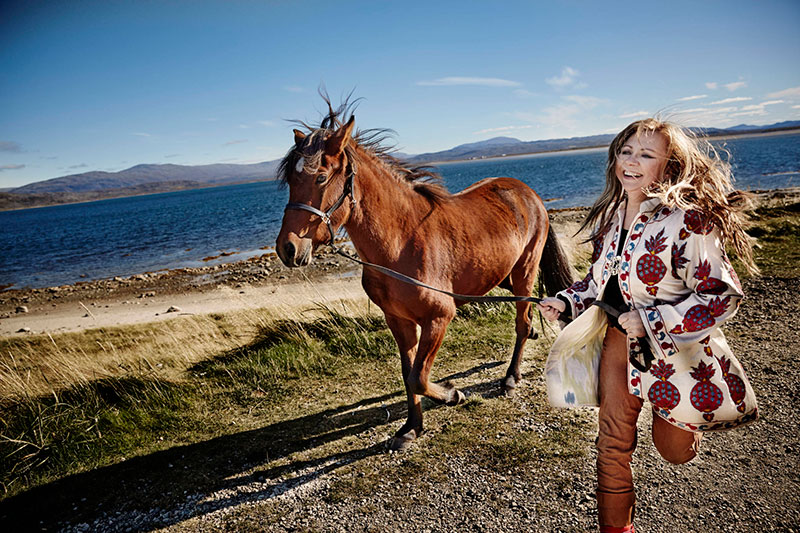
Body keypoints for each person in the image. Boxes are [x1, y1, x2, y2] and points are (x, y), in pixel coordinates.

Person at [537, 118, 758, 532]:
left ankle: (681, 425)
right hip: (618, 344)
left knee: (674, 451)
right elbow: (599, 281)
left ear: (668, 166)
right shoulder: (610, 219)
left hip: (677, 354)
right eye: (626, 151)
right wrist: (565, 300)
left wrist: (654, 319)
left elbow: (721, 294)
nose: (631, 161)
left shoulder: (690, 221)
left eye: (646, 154)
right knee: (611, 444)